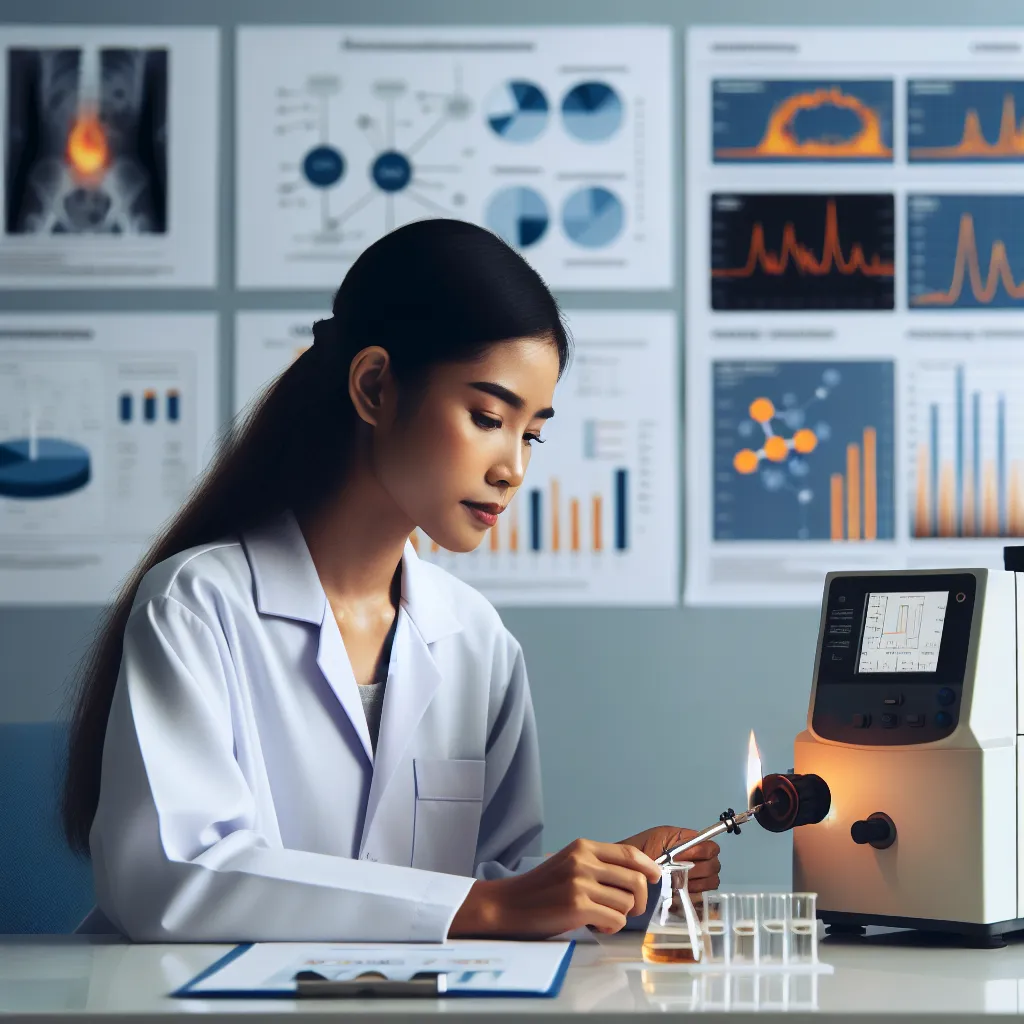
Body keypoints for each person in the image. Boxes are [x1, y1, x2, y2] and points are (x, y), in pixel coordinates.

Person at [61, 219, 720, 942]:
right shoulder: (197, 605)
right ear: (375, 387)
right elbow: (176, 877)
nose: (513, 469)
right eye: (487, 416)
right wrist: (493, 905)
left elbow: (485, 883)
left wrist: (615, 889)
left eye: (530, 433)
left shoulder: (476, 641)